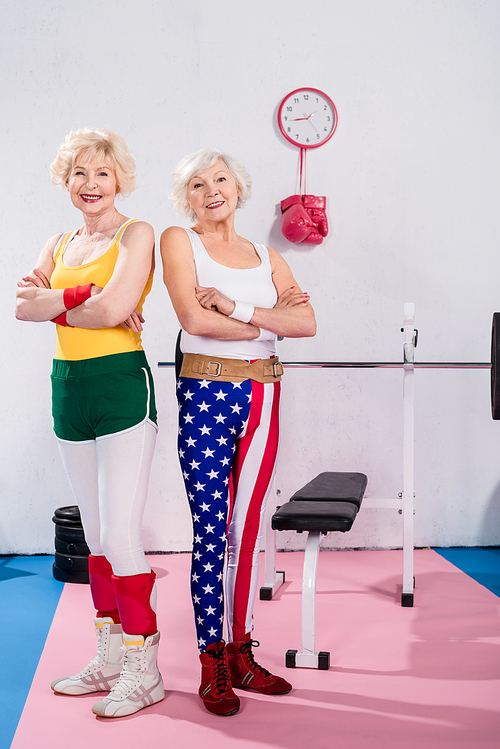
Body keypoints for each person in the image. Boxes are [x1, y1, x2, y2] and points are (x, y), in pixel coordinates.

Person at [160, 149, 316, 716]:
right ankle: (213, 661)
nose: (211, 191)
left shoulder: (266, 255)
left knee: (248, 531)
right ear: (188, 198)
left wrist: (236, 304)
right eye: (197, 185)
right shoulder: (181, 240)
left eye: (220, 179)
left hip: (264, 395)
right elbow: (194, 321)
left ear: (237, 185)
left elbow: (307, 324)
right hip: (207, 394)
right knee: (211, 531)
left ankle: (243, 652)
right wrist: (260, 319)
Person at [15, 128, 164, 718]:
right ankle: (108, 659)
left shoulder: (138, 232)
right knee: (96, 536)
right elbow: (24, 306)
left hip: (121, 387)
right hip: (67, 390)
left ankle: (143, 667)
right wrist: (86, 291)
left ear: (119, 177)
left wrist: (62, 301)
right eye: (79, 173)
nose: (90, 184)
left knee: (122, 535)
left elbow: (108, 308)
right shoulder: (60, 240)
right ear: (66, 181)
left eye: (102, 173)